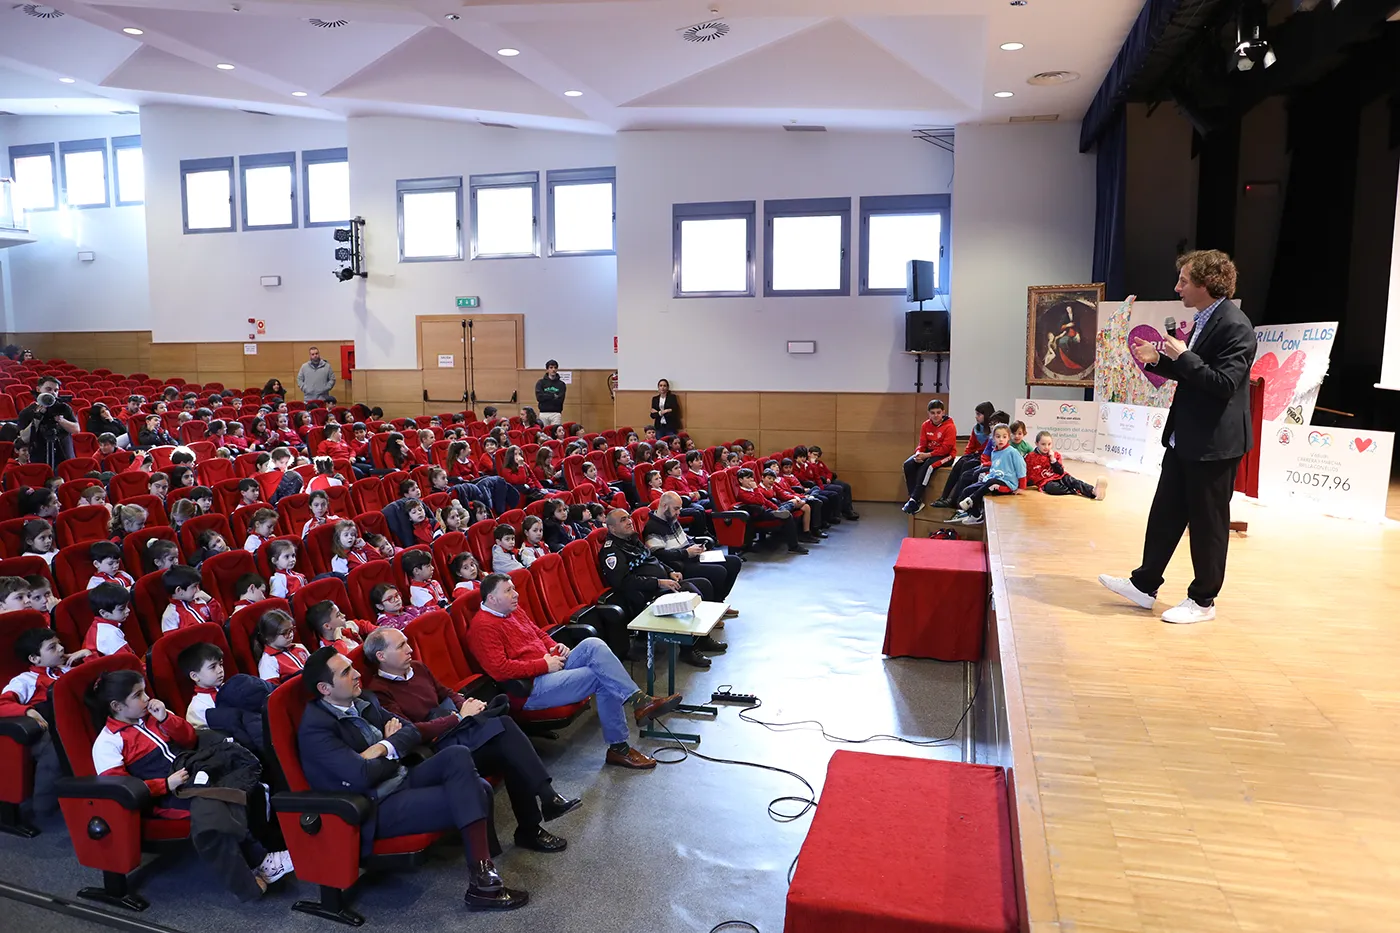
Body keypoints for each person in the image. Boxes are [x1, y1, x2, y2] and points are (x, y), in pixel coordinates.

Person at [298, 647, 529, 910]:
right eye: (347, 672)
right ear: (325, 689)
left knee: (457, 755)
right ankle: (484, 883)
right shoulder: (315, 729)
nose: (357, 674)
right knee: (478, 788)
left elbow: (410, 732)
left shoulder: (364, 701)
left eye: (353, 667)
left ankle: (483, 875)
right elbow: (361, 776)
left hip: (401, 778)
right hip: (376, 804)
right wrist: (393, 746)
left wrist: (383, 748)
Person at [1101, 250, 1256, 625]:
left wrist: (1182, 356)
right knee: (1165, 514)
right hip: (1186, 438)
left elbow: (1222, 384)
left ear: (1206, 283)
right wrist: (1159, 360)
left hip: (1214, 444)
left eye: (1184, 280)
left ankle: (1203, 600)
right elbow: (1197, 373)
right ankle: (1144, 585)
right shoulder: (1206, 319)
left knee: (1208, 525)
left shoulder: (1236, 325)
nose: (1177, 287)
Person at [362, 627, 580, 853]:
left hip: (458, 734)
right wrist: (458, 717)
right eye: (401, 646)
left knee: (507, 741)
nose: (409, 649)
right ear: (381, 656)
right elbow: (412, 732)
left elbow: (446, 693)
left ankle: (532, 824)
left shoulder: (418, 668)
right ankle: (545, 802)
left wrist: (466, 706)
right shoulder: (379, 692)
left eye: (407, 642)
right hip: (436, 754)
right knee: (506, 732)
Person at [88, 669, 293, 900]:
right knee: (218, 806)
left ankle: (265, 849)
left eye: (145, 691)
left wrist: (166, 718)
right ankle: (260, 865)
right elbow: (121, 790)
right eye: (138, 695)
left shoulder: (153, 716)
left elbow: (189, 739)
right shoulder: (107, 742)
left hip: (191, 772)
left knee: (244, 778)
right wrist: (164, 784)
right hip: (165, 795)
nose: (146, 699)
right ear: (116, 706)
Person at [466, 573, 679, 770]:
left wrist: (553, 646)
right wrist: (543, 664)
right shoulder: (482, 627)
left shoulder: (513, 610)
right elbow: (500, 670)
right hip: (530, 687)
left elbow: (538, 634)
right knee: (601, 677)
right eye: (508, 591)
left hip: (550, 666)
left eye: (514, 588)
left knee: (593, 644)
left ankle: (639, 703)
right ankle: (620, 746)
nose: (516, 594)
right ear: (491, 599)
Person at [598, 509, 717, 669]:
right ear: (612, 528)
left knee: (704, 585)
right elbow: (623, 582)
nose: (629, 522)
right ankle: (688, 650)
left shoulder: (631, 539)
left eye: (629, 518)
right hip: (644, 595)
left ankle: (702, 639)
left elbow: (653, 559)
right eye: (623, 520)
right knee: (688, 591)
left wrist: (669, 571)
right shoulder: (611, 551)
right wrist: (658, 582)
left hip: (661, 584)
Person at [644, 491, 742, 618]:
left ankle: (719, 602)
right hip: (679, 565)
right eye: (676, 508)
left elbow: (685, 538)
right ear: (664, 506)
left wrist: (696, 545)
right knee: (719, 571)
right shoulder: (652, 527)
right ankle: (713, 609)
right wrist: (686, 552)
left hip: (690, 557)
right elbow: (660, 555)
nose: (679, 512)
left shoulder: (671, 519)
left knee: (734, 561)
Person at [902, 399, 958, 514]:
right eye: (933, 413)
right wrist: (918, 454)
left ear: (943, 412)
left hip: (946, 455)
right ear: (929, 414)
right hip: (930, 453)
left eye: (938, 412)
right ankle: (914, 499)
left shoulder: (950, 427)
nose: (936, 415)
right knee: (908, 464)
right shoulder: (925, 425)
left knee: (928, 466)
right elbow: (922, 444)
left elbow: (945, 449)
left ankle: (915, 498)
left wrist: (926, 455)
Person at [17, 375, 79, 468]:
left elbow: (76, 430)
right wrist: (38, 417)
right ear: (38, 389)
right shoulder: (27, 412)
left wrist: (60, 420)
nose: (53, 393)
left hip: (65, 456)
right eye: (48, 389)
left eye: (56, 390)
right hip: (39, 458)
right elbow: (25, 438)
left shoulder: (63, 408)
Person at [1025, 431, 1106, 500]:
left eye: (1049, 444)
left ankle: (1094, 491)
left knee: (1073, 481)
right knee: (1053, 488)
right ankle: (1075, 490)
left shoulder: (1056, 455)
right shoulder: (1030, 457)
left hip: (1059, 476)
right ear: (1036, 443)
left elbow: (1060, 472)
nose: (1046, 447)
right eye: (1043, 444)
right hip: (1046, 482)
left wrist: (1053, 460)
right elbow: (1028, 473)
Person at [534, 361, 567, 428]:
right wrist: (553, 395)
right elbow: (539, 397)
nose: (553, 369)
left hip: (556, 413)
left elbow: (560, 400)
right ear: (547, 369)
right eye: (551, 367)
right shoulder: (541, 383)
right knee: (544, 433)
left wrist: (546, 396)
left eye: (555, 367)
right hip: (543, 413)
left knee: (555, 433)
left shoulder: (561, 384)